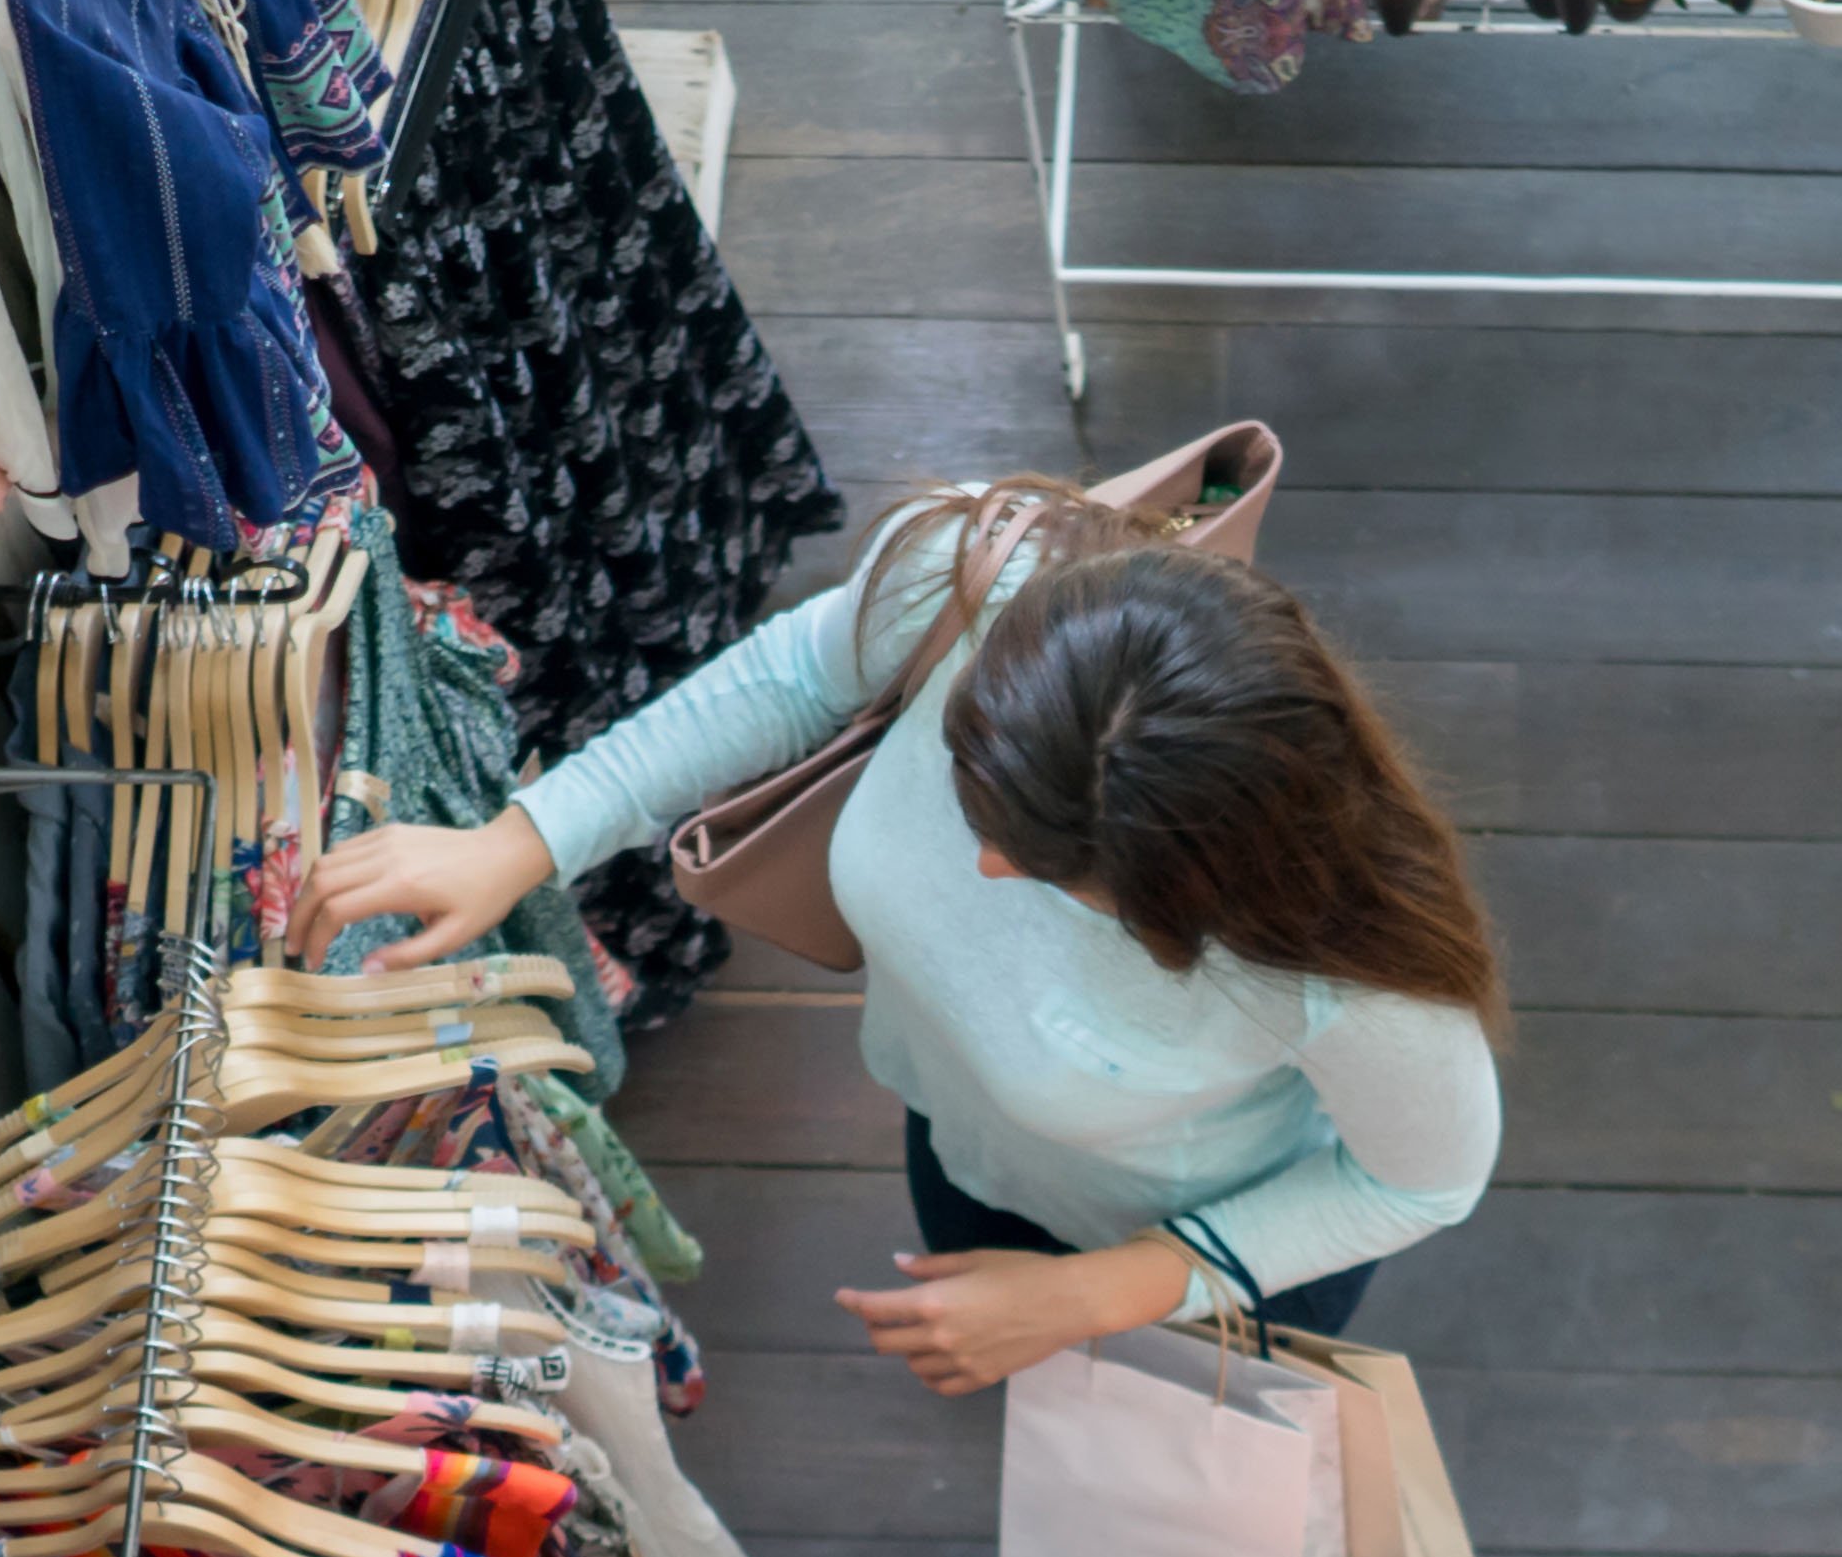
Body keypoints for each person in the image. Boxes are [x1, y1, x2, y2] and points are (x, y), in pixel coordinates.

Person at [291, 489, 1506, 1387]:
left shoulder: (1348, 978)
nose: (981, 867)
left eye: (1047, 870)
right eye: (969, 796)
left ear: (1199, 886)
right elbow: (791, 677)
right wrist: (526, 836)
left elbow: (1421, 1177)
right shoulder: (978, 577)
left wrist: (1086, 1296)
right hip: (968, 1154)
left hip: (1209, 1272)